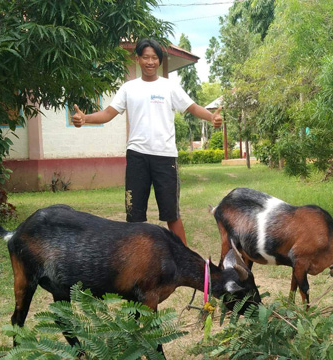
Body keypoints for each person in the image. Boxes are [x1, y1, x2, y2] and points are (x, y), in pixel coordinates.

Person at [71, 38, 222, 246]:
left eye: (154, 58)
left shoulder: (169, 87)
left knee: (171, 214)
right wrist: (84, 119)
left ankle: (184, 260)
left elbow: (193, 107)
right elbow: (108, 113)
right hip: (137, 157)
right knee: (134, 216)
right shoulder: (128, 88)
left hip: (165, 157)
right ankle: (135, 263)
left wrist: (211, 117)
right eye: (145, 57)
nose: (150, 62)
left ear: (159, 61)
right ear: (138, 59)